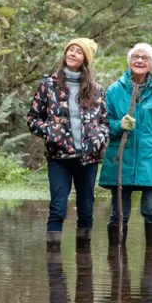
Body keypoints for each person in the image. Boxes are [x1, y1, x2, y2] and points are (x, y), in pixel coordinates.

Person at [26, 38, 109, 250]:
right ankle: (53, 265)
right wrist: (50, 132)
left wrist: (100, 137)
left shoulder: (97, 90)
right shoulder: (49, 85)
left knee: (86, 209)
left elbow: (105, 122)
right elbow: (33, 118)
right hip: (59, 158)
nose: (72, 54)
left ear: (85, 60)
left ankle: (84, 264)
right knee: (58, 208)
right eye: (70, 50)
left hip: (87, 159)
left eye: (78, 52)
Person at [99, 43, 152, 246]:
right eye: (136, 57)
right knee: (119, 214)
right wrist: (118, 125)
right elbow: (103, 125)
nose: (139, 60)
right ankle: (116, 266)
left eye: (145, 58)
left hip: (151, 160)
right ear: (130, 61)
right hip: (121, 158)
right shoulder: (114, 90)